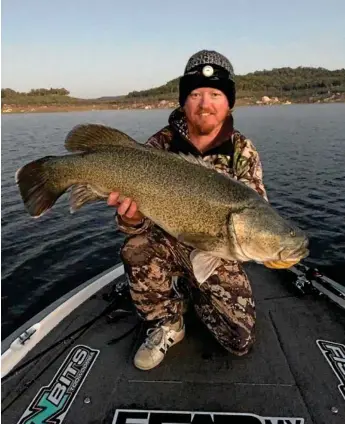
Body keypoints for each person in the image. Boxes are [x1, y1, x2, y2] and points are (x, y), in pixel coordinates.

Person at [108, 50, 268, 371]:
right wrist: (131, 218)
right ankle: (167, 320)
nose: (204, 103)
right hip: (163, 245)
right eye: (195, 94)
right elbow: (133, 226)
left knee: (238, 340)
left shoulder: (242, 150)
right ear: (184, 101)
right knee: (135, 248)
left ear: (229, 102)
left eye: (215, 94)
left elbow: (255, 218)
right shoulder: (158, 146)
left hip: (216, 251)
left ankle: (189, 291)